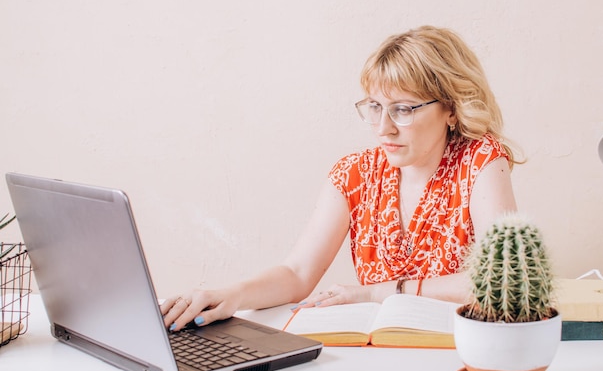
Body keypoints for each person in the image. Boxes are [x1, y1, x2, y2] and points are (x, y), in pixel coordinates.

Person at [162, 25, 519, 332]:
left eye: (403, 109)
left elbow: (501, 281)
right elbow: (298, 272)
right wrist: (229, 296)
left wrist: (380, 292)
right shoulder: (355, 174)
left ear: (452, 110)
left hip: (457, 352)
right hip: (376, 353)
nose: (384, 128)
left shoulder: (481, 160)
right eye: (376, 107)